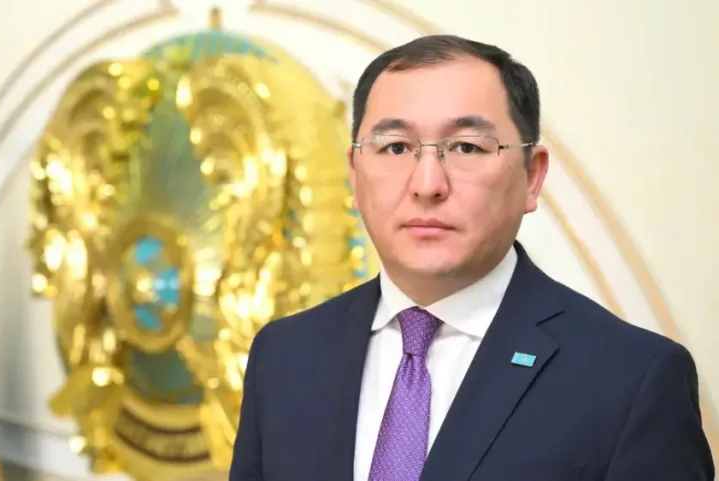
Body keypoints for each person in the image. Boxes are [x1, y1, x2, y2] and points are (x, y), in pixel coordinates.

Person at [228, 34, 714, 481]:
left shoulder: (631, 378)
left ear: (532, 176)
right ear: (355, 175)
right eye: (395, 147)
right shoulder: (285, 357)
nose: (427, 185)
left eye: (465, 147)